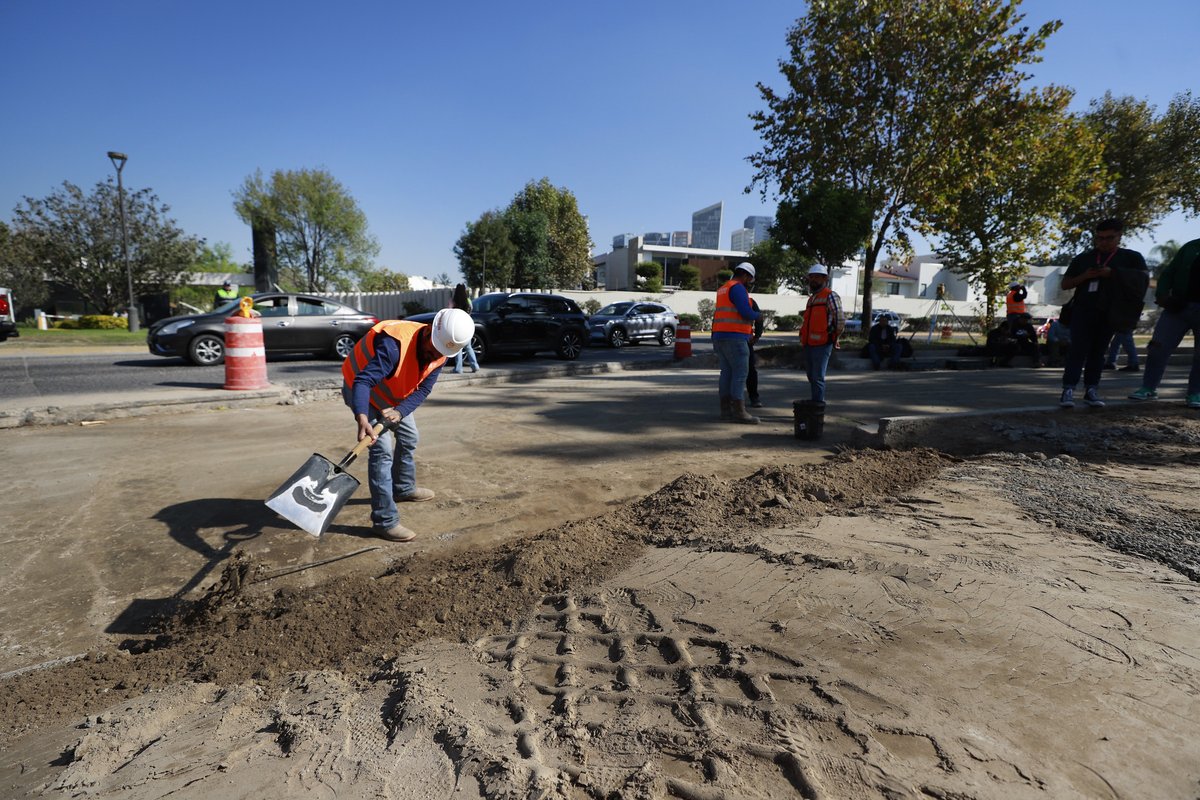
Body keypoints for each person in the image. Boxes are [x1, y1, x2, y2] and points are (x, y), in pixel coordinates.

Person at [341, 308, 474, 541]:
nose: (435, 355)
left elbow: (423, 389)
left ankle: (402, 488)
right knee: (381, 452)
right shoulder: (393, 345)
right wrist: (362, 416)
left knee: (410, 436)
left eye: (440, 353)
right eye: (434, 350)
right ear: (428, 333)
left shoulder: (443, 350)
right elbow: (363, 380)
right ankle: (384, 521)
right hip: (361, 389)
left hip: (393, 397)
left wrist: (400, 412)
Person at [1058, 218, 1148, 408]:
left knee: (1098, 352)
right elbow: (1065, 283)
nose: (1104, 243)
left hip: (1111, 311)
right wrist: (1086, 276)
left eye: (1109, 238)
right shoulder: (1084, 258)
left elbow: (1142, 282)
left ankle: (1091, 389)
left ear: (1119, 236)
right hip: (1083, 309)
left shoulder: (1131, 257)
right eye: (1099, 238)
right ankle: (1068, 389)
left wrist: (1113, 273)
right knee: (1077, 350)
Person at [1128, 237, 1200, 409]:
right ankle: (1149, 388)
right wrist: (1162, 294)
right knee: (1158, 347)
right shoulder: (1191, 247)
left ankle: (1195, 392)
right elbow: (1169, 272)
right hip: (1178, 306)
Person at [713, 262, 761, 424]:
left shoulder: (723, 288)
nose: (749, 284)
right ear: (746, 276)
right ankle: (740, 411)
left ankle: (725, 410)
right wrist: (757, 315)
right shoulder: (738, 288)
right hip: (735, 338)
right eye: (750, 280)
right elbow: (745, 312)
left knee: (726, 373)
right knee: (740, 374)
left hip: (720, 336)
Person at [799, 264, 844, 403]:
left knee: (817, 376)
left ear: (825, 279)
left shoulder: (830, 296)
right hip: (809, 343)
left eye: (817, 277)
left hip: (823, 343)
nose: (813, 280)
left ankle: (818, 406)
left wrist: (835, 336)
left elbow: (840, 319)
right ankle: (815, 402)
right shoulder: (811, 299)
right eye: (811, 277)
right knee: (811, 375)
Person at [449, 283, 479, 374]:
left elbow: (449, 311)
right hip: (467, 325)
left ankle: (458, 368)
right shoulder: (468, 301)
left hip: (457, 326)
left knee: (458, 347)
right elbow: (472, 310)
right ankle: (475, 366)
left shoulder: (453, 301)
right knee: (468, 347)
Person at [745, 298, 764, 408]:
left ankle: (753, 397)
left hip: (745, 340)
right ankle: (752, 398)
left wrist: (757, 335)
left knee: (750, 370)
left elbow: (759, 318)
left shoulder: (750, 301)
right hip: (736, 340)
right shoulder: (748, 301)